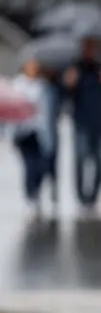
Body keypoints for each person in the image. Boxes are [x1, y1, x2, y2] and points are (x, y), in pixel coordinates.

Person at [63, 37, 101, 217]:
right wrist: (69, 83)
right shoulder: (74, 67)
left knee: (99, 160)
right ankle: (82, 198)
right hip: (80, 120)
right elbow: (66, 93)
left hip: (99, 120)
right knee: (81, 157)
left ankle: (94, 196)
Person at [11, 59, 52, 219]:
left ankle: (36, 192)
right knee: (29, 166)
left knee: (41, 166)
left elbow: (46, 110)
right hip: (23, 132)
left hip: (39, 131)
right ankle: (30, 196)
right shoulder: (18, 85)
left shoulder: (42, 86)